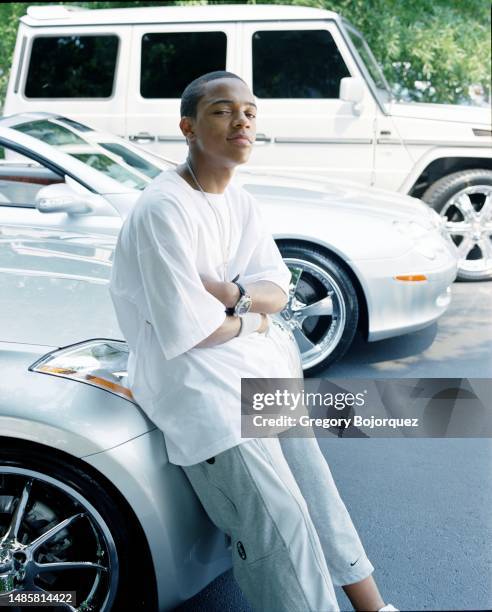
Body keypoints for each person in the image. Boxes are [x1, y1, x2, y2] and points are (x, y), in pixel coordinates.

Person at [109, 70, 398, 612]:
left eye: (250, 110)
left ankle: (374, 607)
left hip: (254, 376)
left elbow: (279, 286)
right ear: (188, 127)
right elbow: (194, 332)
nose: (242, 119)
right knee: (281, 530)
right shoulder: (163, 209)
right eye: (222, 110)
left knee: (319, 498)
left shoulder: (237, 198)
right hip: (202, 395)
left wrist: (236, 295)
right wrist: (255, 316)